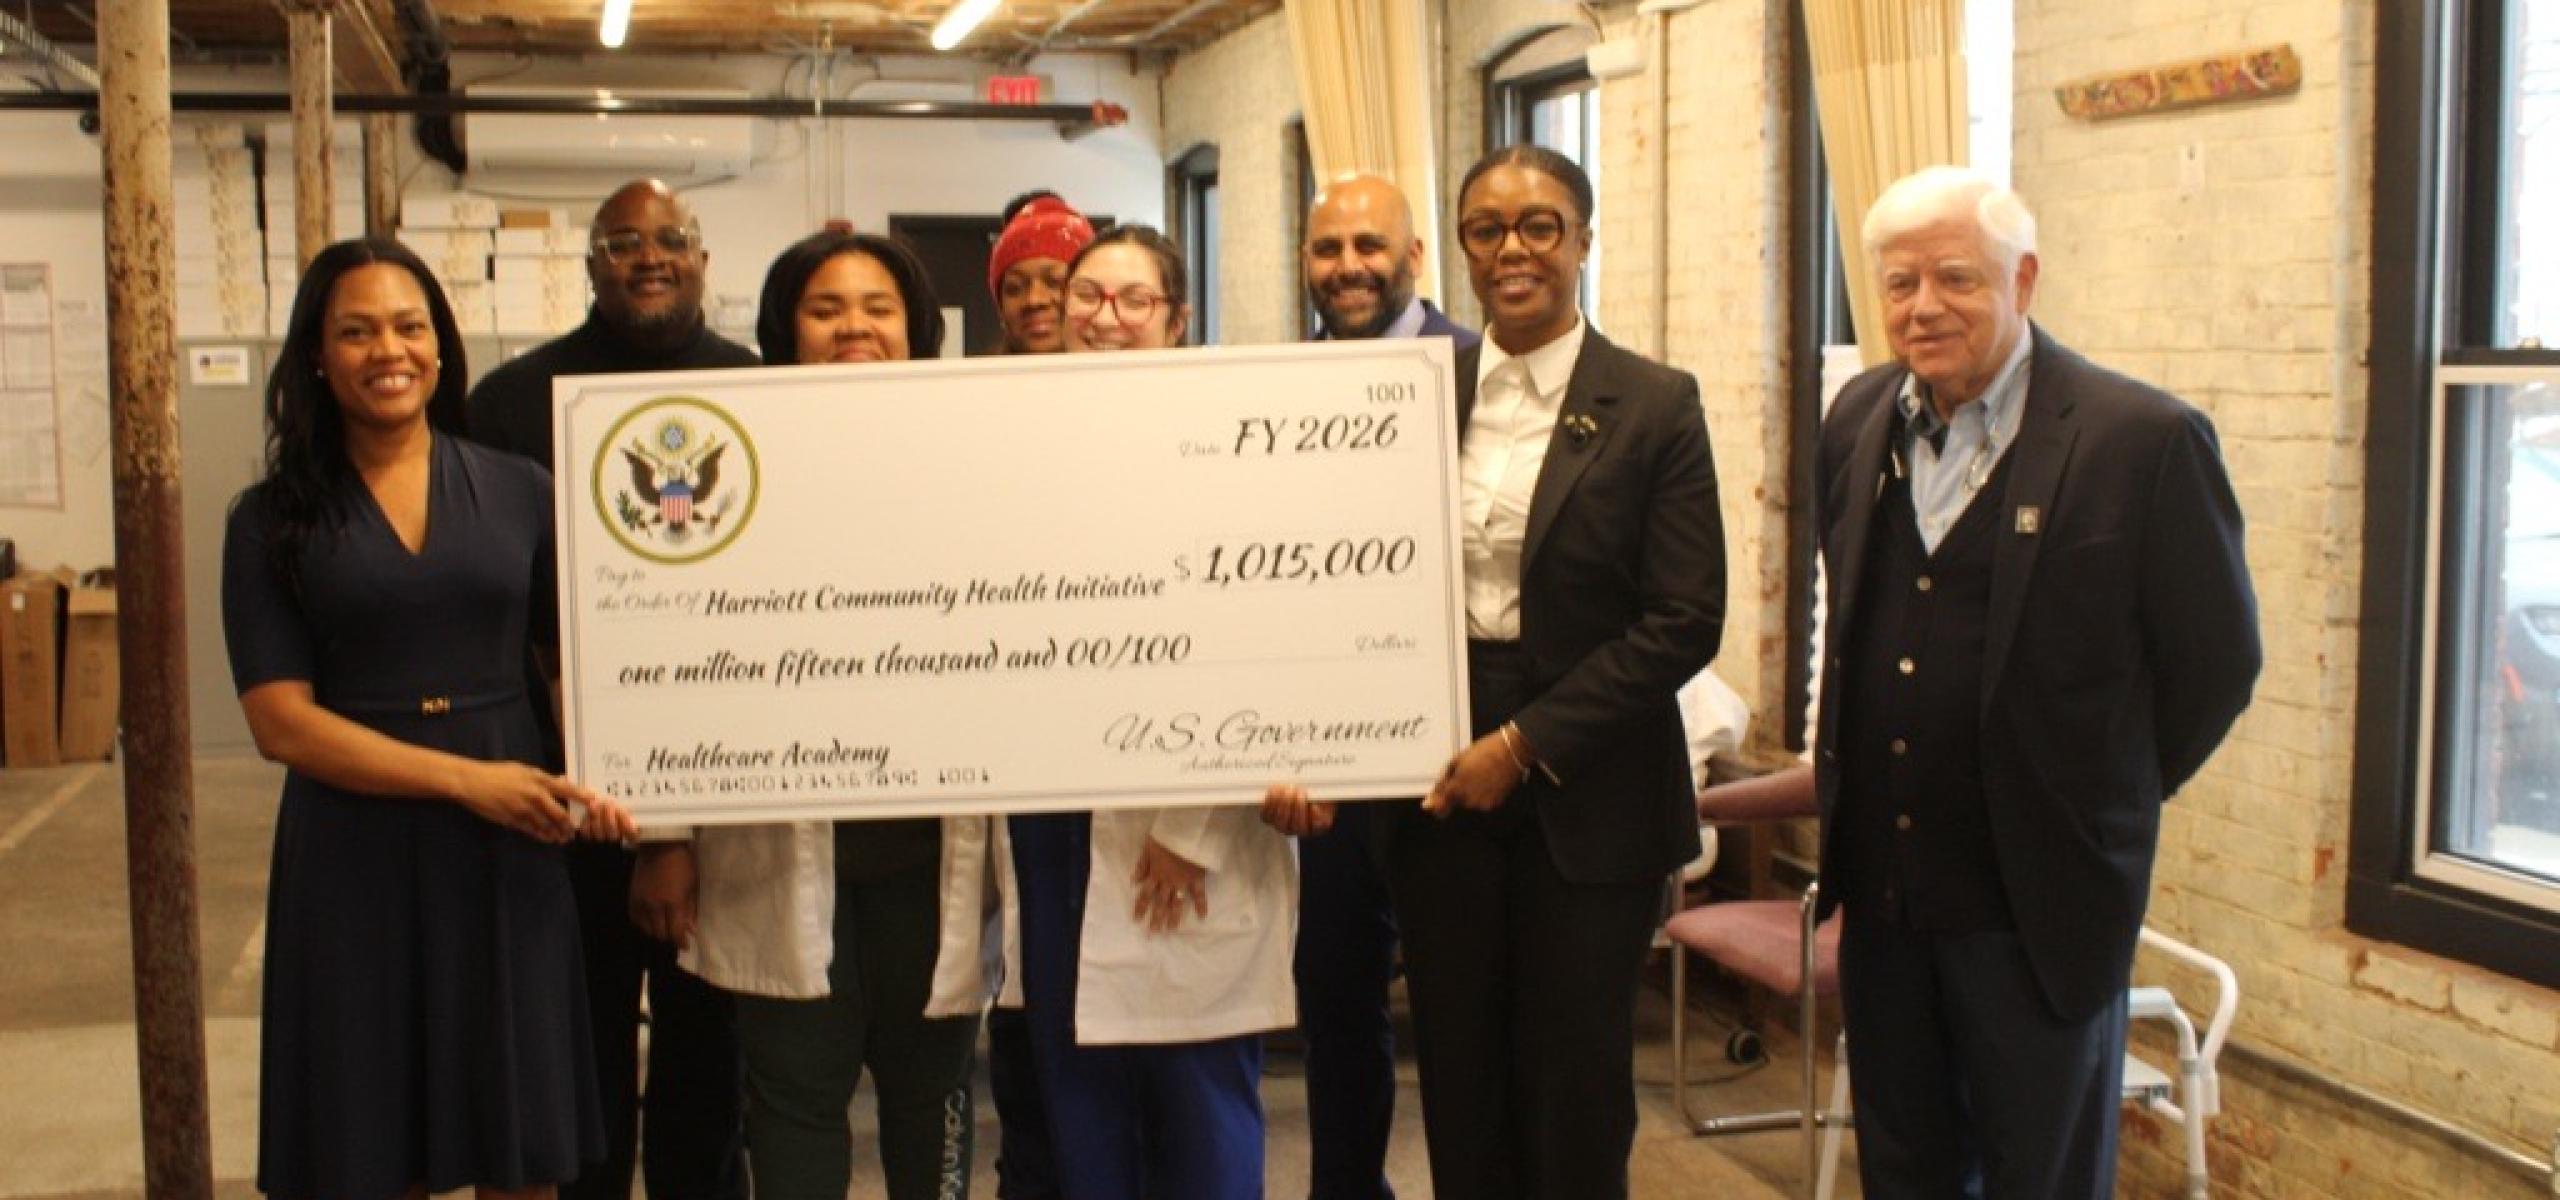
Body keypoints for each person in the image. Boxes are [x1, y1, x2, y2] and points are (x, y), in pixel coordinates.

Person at [1267, 144, 1723, 1200]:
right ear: (1459, 251)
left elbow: (1682, 619)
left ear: (1581, 239)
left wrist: (1522, 746)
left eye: (1538, 226)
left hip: (1588, 783)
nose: (1512, 249)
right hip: (1433, 776)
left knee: (1571, 1089)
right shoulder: (1409, 393)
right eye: (1488, 229)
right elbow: (1343, 578)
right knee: (1460, 1081)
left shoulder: (1654, 403)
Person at [1809, 165, 2259, 1199]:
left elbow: (2216, 665)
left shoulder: (2139, 442)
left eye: (1956, 279)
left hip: (2039, 915)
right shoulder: (1857, 418)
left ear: (2024, 281)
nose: (1923, 308)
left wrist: (2093, 789)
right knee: (1905, 1170)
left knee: (2041, 1179)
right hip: (1884, 902)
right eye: (1898, 284)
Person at [223, 236, 640, 1200]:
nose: (388, 350)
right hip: (354, 849)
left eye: (409, 326)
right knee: (373, 1144)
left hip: (513, 850)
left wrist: (621, 775)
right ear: (316, 358)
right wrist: (467, 781)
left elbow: (579, 657)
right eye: (356, 331)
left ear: (441, 348)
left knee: (522, 1148)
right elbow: (281, 724)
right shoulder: (271, 518)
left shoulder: (518, 489)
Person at [638, 230, 997, 1200]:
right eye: (825, 309)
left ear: (915, 326)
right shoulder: (722, 460)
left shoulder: (978, 449)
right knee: (793, 1099)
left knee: (932, 1092)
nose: (854, 328)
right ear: (783, 328)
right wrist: (663, 832)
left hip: (929, 852)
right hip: (778, 845)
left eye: (877, 309)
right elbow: (665, 644)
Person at [462, 179, 757, 1200]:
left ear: (703, 261)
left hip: (726, 795)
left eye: (671, 238)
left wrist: (676, 823)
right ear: (591, 265)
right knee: (575, 1060)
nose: (649, 255)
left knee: (707, 1067)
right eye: (623, 241)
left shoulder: (761, 392)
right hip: (553, 799)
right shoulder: (507, 404)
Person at [1008, 225, 1298, 1200]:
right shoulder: (1019, 442)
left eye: (1134, 300)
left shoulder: (1237, 451)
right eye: (1087, 296)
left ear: (1178, 320)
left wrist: (1191, 826)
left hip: (1190, 826)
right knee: (1079, 1094)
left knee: (1197, 1106)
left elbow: (1258, 642)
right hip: (1054, 821)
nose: (1105, 316)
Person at [1283, 172, 1477, 1200]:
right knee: (1337, 1002)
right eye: (1326, 249)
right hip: (1329, 755)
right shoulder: (1271, 384)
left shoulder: (1483, 375)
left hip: (1459, 754)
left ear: (1413, 259)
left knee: (1455, 1013)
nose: (1346, 266)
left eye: (1368, 245)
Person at [978, 191, 1095, 1200]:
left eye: (1053, 278)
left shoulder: (1148, 405)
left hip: (1106, 746)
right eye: (1015, 285)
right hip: (1003, 736)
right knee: (1023, 992)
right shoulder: (966, 412)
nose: (1034, 299)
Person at [989, 195, 1097, 358]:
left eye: (1055, 282)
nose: (1034, 299)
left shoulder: (1136, 376)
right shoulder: (975, 382)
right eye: (1015, 288)